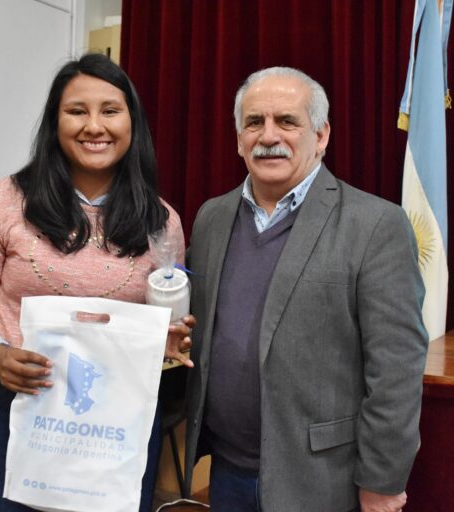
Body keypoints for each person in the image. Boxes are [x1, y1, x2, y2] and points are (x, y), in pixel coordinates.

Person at [0, 54, 193, 512]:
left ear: (132, 123)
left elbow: (164, 323)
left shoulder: (162, 221)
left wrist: (167, 338)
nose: (94, 126)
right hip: (10, 410)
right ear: (55, 122)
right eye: (77, 111)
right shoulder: (6, 201)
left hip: (114, 422)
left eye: (110, 111)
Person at [183, 67, 429, 512]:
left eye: (288, 121)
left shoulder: (375, 225)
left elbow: (396, 370)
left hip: (323, 482)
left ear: (321, 135)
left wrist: (382, 479)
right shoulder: (211, 218)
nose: (268, 135)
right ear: (238, 138)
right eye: (254, 122)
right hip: (225, 473)